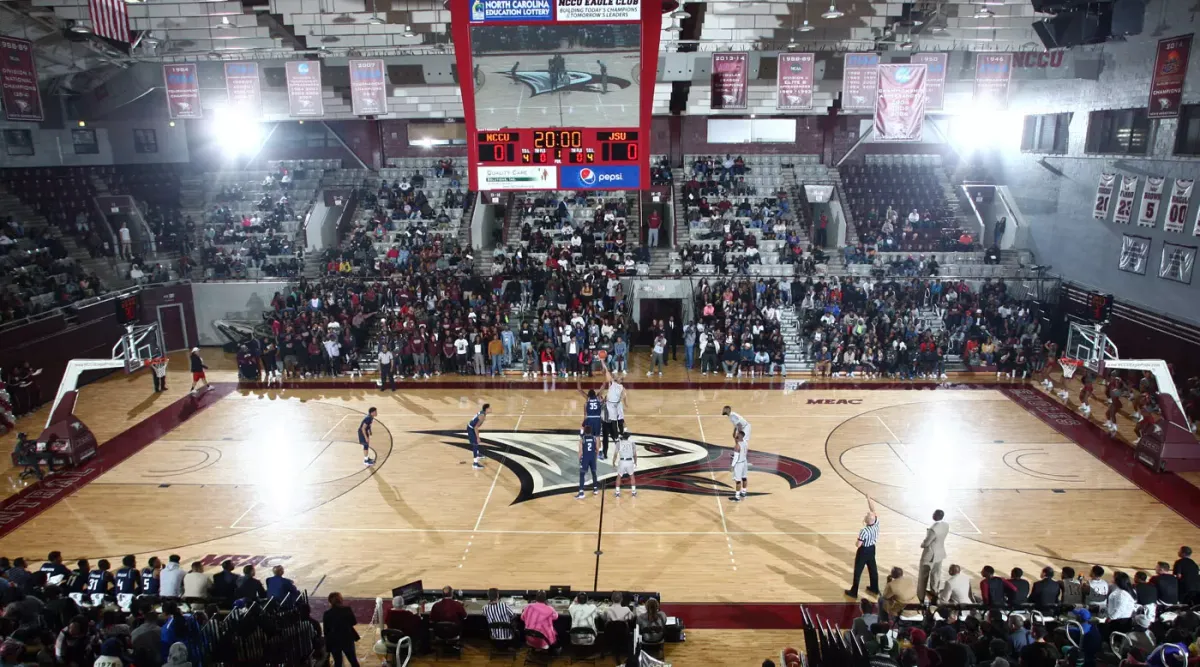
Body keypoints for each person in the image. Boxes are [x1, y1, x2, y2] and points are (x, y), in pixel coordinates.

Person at [845, 496, 880, 598]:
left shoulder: (864, 531)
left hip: (863, 550)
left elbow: (858, 544)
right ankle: (874, 588)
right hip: (872, 548)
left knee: (858, 571)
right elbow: (873, 510)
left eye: (867, 515)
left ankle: (854, 592)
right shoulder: (876, 523)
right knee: (873, 569)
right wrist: (869, 499)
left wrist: (857, 542)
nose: (866, 514)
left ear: (867, 520)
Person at [917, 509, 948, 603]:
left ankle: (920, 598)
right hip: (940, 553)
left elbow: (926, 543)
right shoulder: (946, 525)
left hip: (930, 555)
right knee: (936, 576)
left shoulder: (933, 529)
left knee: (923, 577)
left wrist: (922, 544)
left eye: (933, 513)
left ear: (936, 516)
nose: (932, 514)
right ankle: (934, 596)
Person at [323, 592, 360, 667]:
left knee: (338, 662)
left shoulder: (327, 613)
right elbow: (353, 622)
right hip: (347, 639)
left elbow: (326, 631)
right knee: (353, 661)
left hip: (334, 641)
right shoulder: (347, 609)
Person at [722, 406, 751, 502]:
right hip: (744, 462)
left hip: (739, 463)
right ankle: (744, 492)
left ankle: (737, 497)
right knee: (744, 478)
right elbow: (738, 432)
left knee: (738, 480)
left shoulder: (737, 446)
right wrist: (736, 432)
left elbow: (736, 457)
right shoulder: (745, 443)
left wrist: (732, 466)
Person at [576, 425, 600, 499]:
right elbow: (597, 449)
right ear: (591, 431)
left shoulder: (582, 439)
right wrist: (595, 457)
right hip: (592, 457)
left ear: (585, 431)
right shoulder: (594, 438)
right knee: (594, 473)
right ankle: (595, 489)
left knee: (582, 474)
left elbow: (580, 452)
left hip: (585, 458)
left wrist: (579, 459)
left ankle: (581, 492)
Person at [613, 429, 638, 497]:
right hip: (629, 462)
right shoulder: (632, 443)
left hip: (622, 462)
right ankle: (633, 492)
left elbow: (615, 455)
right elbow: (635, 455)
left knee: (619, 476)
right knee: (632, 476)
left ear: (622, 437)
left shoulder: (619, 443)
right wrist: (635, 462)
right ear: (628, 437)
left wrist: (613, 462)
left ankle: (617, 492)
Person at [467, 403, 490, 470]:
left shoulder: (482, 413)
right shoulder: (482, 416)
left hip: (471, 427)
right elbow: (476, 427)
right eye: (489, 408)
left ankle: (478, 455)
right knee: (475, 444)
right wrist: (478, 437)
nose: (491, 409)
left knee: (476, 444)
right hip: (471, 428)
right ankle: (475, 464)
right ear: (486, 409)